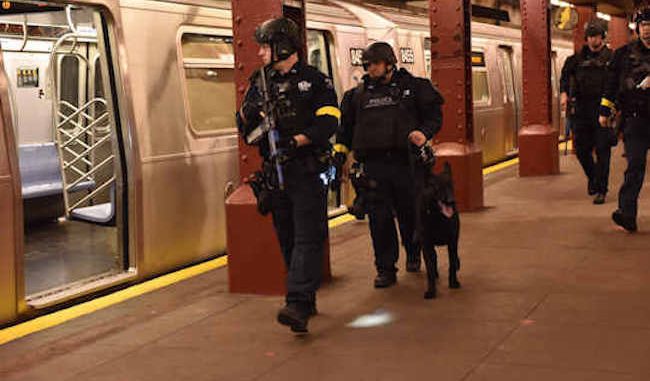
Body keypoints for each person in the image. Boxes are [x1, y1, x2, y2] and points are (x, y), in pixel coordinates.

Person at [236, 17, 339, 333]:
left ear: (282, 46)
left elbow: (329, 121)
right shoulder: (260, 84)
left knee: (308, 236)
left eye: (265, 47)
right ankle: (305, 299)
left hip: (306, 171)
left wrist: (298, 141)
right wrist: (250, 116)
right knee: (288, 238)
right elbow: (245, 131)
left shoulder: (315, 81)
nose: (261, 54)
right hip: (275, 174)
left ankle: (296, 303)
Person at [334, 42, 443, 288]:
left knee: (409, 214)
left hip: (406, 164)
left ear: (389, 63)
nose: (369, 68)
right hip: (374, 168)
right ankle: (385, 268)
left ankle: (413, 254)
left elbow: (435, 115)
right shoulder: (357, 96)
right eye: (367, 64)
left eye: (374, 64)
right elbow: (345, 131)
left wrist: (423, 133)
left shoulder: (414, 88)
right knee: (379, 220)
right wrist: (340, 155)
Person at [599, 7, 650, 232]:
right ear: (637, 29)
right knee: (635, 165)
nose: (648, 30)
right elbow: (611, 85)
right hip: (636, 119)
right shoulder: (622, 55)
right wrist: (604, 111)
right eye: (644, 26)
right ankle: (627, 213)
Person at [560, 20, 614, 204]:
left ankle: (601, 190)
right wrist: (564, 93)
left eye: (596, 36)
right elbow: (564, 77)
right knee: (582, 150)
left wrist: (612, 109)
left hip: (603, 109)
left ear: (602, 37)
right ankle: (593, 178)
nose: (593, 40)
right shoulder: (576, 59)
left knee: (602, 150)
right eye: (590, 36)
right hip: (581, 110)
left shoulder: (611, 59)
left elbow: (616, 83)